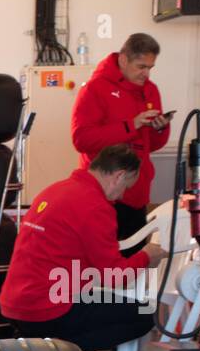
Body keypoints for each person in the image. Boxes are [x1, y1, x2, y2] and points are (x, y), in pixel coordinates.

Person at [0, 144, 167, 351]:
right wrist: (146, 256)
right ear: (119, 176)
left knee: (92, 295)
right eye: (125, 187)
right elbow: (114, 276)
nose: (121, 196)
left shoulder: (53, 190)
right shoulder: (96, 206)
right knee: (147, 313)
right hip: (47, 309)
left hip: (14, 304)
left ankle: (40, 345)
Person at [71, 33, 170, 255]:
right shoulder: (95, 89)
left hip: (137, 193)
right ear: (123, 60)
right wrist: (130, 125)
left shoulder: (150, 90)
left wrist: (160, 128)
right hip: (105, 195)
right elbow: (82, 139)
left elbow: (151, 145)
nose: (146, 73)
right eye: (141, 66)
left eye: (150, 67)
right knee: (104, 272)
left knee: (135, 272)